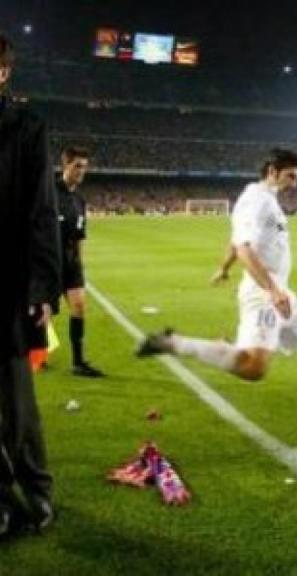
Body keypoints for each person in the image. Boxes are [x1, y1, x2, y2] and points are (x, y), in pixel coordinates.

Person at [137, 149, 297, 442]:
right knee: (253, 367)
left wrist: (223, 268)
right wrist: (271, 290)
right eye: (290, 176)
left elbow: (238, 243)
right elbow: (245, 248)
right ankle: (175, 343)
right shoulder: (256, 199)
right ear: (272, 170)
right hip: (264, 294)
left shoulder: (265, 199)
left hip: (280, 293)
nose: (295, 184)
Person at [0, 32, 62, 536]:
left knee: (16, 405)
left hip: (9, 285)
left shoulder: (26, 128)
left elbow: (43, 212)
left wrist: (42, 288)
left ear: (3, 72)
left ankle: (37, 491)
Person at [55, 146, 104, 377]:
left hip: (71, 261)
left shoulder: (80, 201)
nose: (81, 171)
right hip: (47, 262)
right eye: (77, 166)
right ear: (65, 165)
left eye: (84, 167)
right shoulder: (48, 193)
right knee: (39, 313)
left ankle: (78, 362)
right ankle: (32, 355)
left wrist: (80, 264)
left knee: (79, 306)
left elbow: (80, 235)